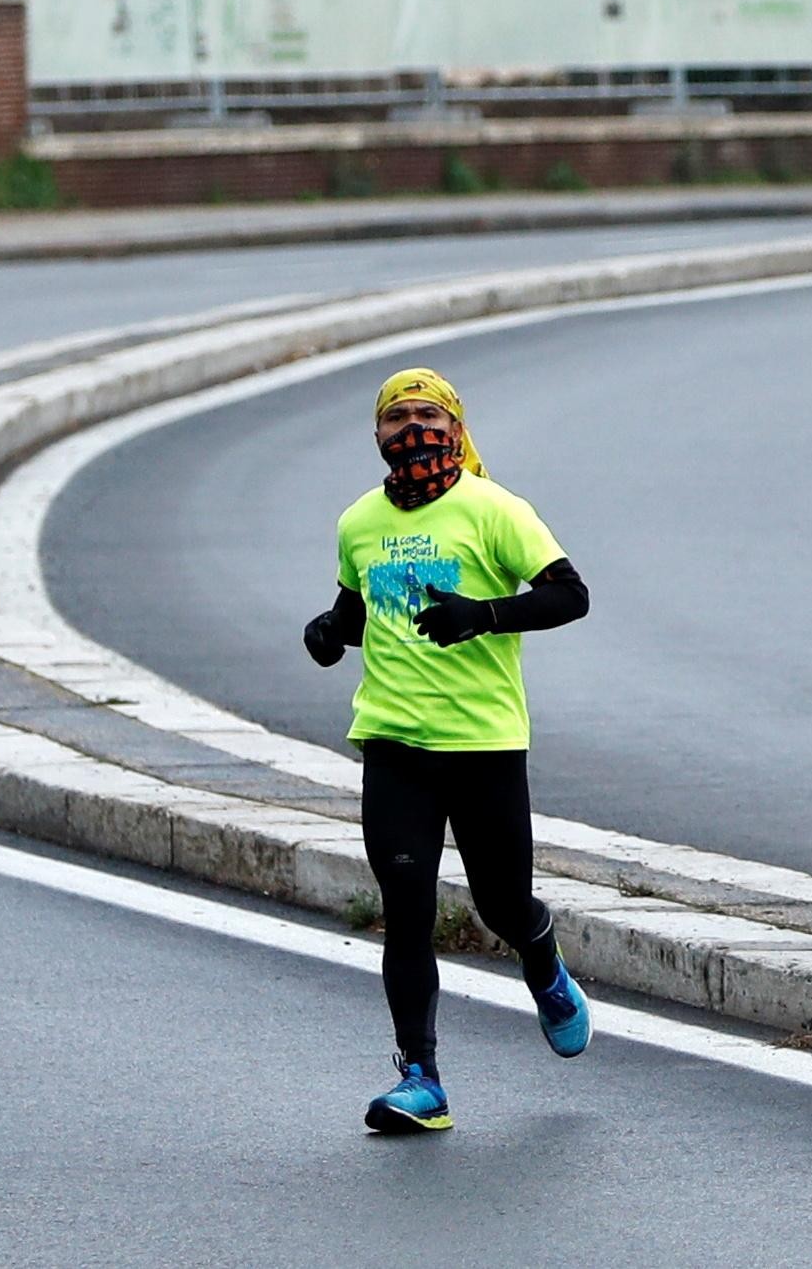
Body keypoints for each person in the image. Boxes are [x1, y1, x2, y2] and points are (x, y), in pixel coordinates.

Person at [304, 364, 594, 1136]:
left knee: (501, 902)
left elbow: (570, 593)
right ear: (377, 437)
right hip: (394, 742)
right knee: (407, 911)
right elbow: (360, 610)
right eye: (395, 419)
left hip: (484, 743)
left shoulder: (494, 508)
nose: (411, 430)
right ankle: (420, 1078)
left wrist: (486, 614)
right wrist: (331, 633)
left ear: (458, 427)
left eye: (427, 414)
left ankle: (541, 956)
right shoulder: (359, 522)